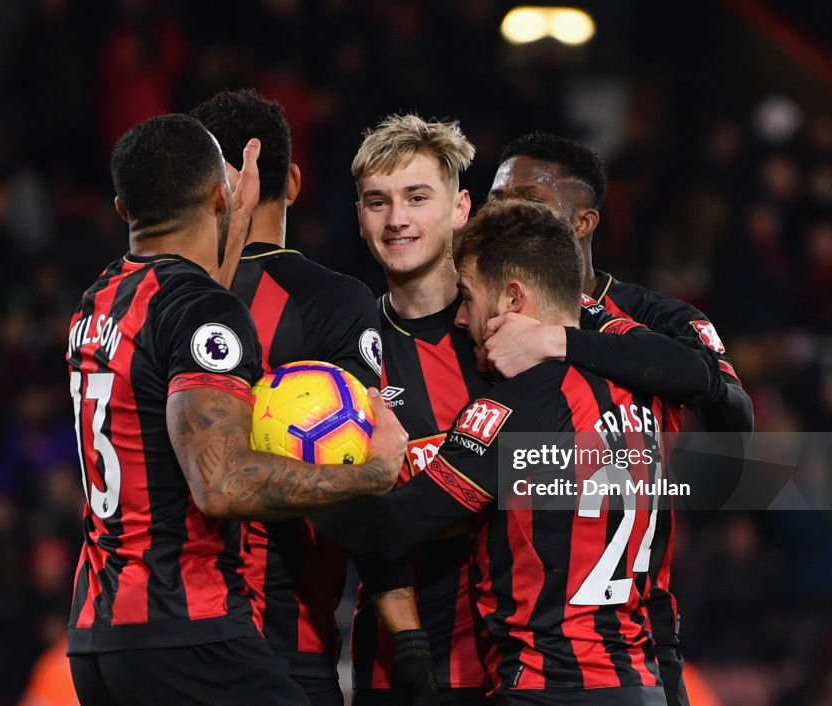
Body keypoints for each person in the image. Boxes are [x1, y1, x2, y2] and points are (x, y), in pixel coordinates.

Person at [348, 115, 707, 706]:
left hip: (522, 673)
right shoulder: (345, 340)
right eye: (377, 202)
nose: (398, 219)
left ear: (461, 208)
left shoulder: (524, 354)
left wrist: (324, 484)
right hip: (421, 670)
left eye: (417, 197)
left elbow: (705, 379)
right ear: (358, 217)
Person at [65, 114, 407, 706]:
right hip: (186, 627)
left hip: (99, 636)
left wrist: (233, 216)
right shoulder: (202, 310)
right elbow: (221, 484)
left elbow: (194, 298)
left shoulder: (99, 301)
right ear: (220, 196)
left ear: (123, 209)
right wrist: (372, 473)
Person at [483, 131, 757, 706]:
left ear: (583, 223)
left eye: (527, 201)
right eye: (496, 200)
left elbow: (736, 414)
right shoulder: (474, 316)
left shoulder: (655, 317)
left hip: (633, 633)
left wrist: (559, 339)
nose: (506, 215)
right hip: (499, 633)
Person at [191, 89, 432, 706]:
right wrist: (404, 627)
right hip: (280, 638)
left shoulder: (153, 299)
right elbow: (360, 469)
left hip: (161, 633)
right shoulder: (331, 301)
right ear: (294, 181)